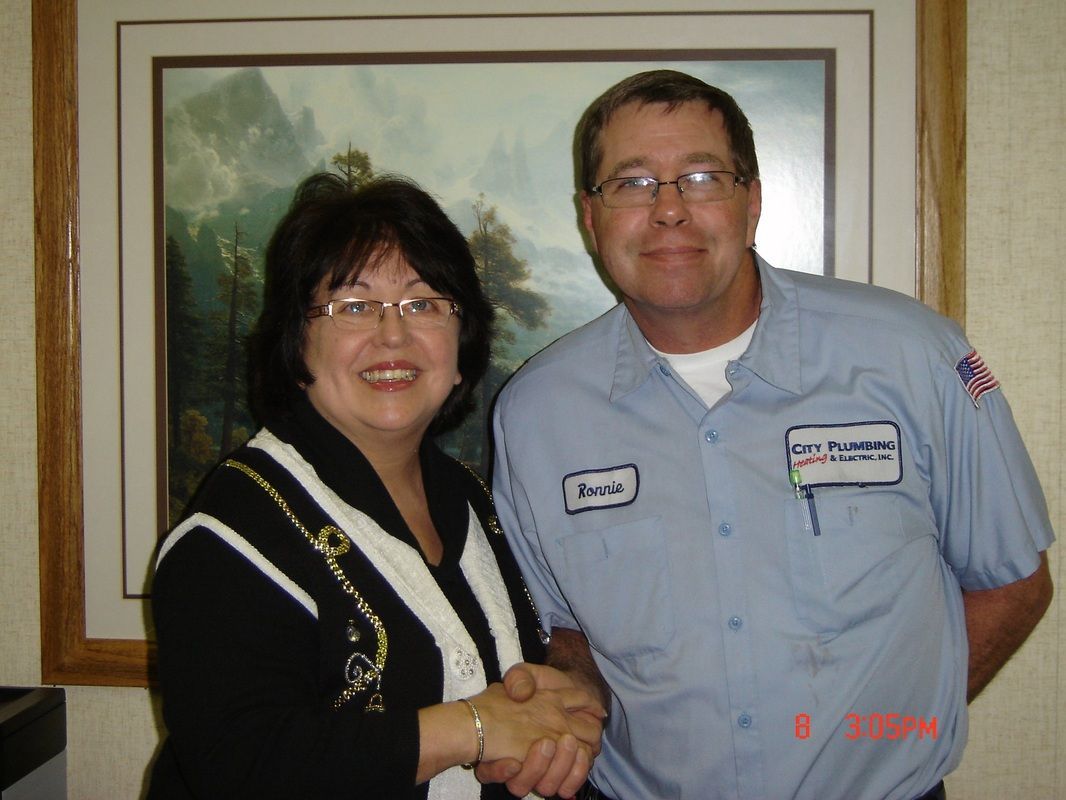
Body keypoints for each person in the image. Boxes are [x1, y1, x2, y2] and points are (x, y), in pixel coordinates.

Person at [487, 70, 1055, 800]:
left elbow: (1012, 581)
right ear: (590, 219)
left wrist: (888, 735)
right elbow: (562, 630)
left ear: (752, 203)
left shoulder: (912, 355)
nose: (668, 211)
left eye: (700, 177)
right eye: (631, 183)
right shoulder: (537, 412)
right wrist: (564, 700)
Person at [148, 172, 604, 799]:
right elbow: (241, 766)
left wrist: (557, 713)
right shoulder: (230, 537)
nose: (393, 336)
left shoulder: (467, 498)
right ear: (297, 340)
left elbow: (515, 695)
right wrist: (469, 727)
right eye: (353, 306)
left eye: (422, 303)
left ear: (460, 342)